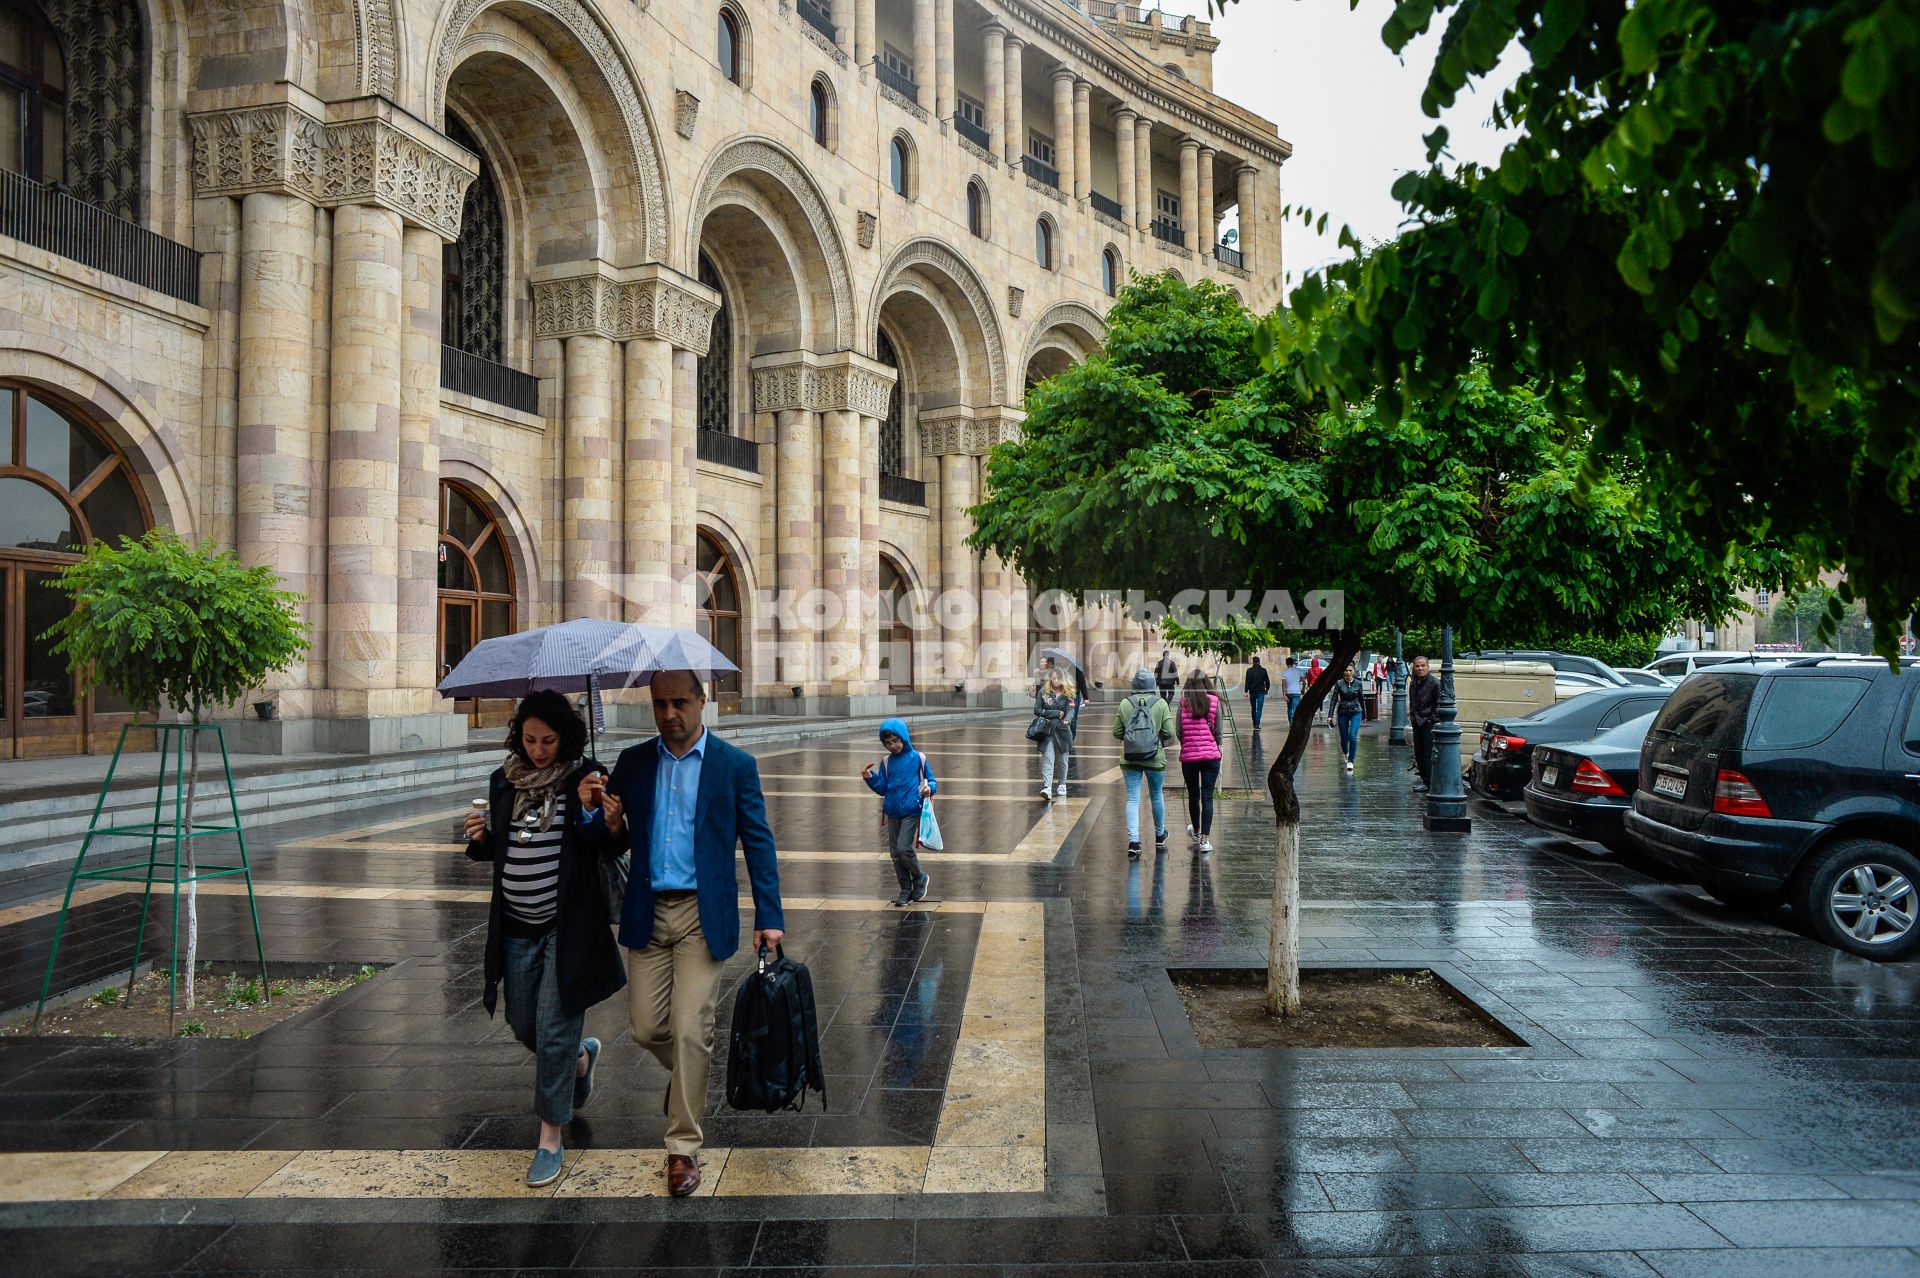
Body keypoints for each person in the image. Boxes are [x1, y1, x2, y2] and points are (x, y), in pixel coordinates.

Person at [598, 669, 784, 1198]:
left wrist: (769, 914)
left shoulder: (734, 767)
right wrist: (608, 823)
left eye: (680, 702)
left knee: (689, 1029)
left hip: (704, 915)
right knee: (645, 1029)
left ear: (704, 702)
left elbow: (759, 843)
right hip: (647, 912)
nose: (669, 714)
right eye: (660, 704)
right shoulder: (633, 764)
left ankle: (682, 1148)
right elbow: (610, 845)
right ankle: (687, 1082)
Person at [463, 690, 627, 1188]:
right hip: (515, 924)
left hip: (567, 927)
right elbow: (503, 851)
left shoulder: (587, 778)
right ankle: (580, 1060)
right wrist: (481, 838)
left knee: (554, 1030)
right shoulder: (503, 780)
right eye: (530, 739)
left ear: (566, 737)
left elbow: (609, 844)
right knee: (521, 1022)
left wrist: (591, 812)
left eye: (548, 741)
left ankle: (550, 1139)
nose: (538, 750)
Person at [862, 717, 936, 906]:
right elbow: (883, 788)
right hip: (893, 811)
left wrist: (929, 789)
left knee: (904, 848)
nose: (892, 746)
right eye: (887, 743)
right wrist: (871, 778)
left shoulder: (918, 758)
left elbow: (931, 780)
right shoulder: (886, 762)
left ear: (904, 737)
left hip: (912, 809)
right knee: (895, 853)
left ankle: (919, 877)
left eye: (896, 740)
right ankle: (905, 889)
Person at [1113, 669, 1177, 859]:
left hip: (1130, 758)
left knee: (1133, 799)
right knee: (1156, 796)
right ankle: (1159, 835)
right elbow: (1169, 732)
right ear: (1153, 685)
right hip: (1155, 758)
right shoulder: (1161, 703)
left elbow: (1116, 732)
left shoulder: (1125, 703)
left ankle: (1134, 842)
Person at [1177, 671, 1222, 855]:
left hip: (1189, 758)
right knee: (1207, 797)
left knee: (1193, 795)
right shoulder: (1214, 701)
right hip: (1211, 757)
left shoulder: (1183, 702)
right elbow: (1218, 731)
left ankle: (1196, 831)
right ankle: (1205, 839)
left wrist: (1189, 745)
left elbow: (1179, 732)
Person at [1032, 668, 1075, 800]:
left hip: (1062, 730)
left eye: (1058, 678)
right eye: (1054, 678)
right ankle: (1047, 787)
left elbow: (1070, 709)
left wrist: (1067, 719)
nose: (1055, 681)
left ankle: (1062, 784)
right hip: (1046, 730)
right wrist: (1057, 713)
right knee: (1048, 758)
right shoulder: (1043, 692)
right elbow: (1037, 710)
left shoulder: (1068, 694)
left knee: (1062, 759)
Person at [1409, 654, 1441, 792]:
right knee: (1419, 753)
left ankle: (1429, 782)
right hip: (1417, 721)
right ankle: (1424, 779)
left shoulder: (1434, 683)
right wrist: (1412, 716)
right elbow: (1412, 701)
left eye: (1423, 666)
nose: (1420, 668)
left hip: (1428, 723)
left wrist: (1431, 719)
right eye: (1417, 666)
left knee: (1427, 754)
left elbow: (1438, 704)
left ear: (1428, 667)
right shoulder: (1413, 682)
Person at [1332, 662, 1365, 772]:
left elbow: (1361, 699)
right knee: (1344, 739)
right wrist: (1330, 716)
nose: (1348, 673)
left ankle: (1351, 761)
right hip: (1343, 712)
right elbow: (1333, 700)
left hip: (1356, 711)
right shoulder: (1339, 683)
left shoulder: (1358, 683)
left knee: (1352, 736)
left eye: (1350, 670)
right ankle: (1345, 752)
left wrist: (1364, 714)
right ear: (1343, 672)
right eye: (1346, 670)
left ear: (1354, 672)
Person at [1244, 655, 1271, 730]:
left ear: (1253, 662)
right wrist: (1267, 689)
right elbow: (1267, 681)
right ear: (1259, 662)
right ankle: (1257, 723)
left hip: (1252, 691)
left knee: (1253, 707)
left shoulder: (1249, 670)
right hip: (1261, 691)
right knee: (1259, 708)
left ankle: (1254, 723)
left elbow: (1247, 681)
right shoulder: (1263, 670)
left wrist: (1246, 691)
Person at [1279, 655, 1306, 722]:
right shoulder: (1298, 671)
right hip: (1297, 692)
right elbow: (1304, 682)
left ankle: (1291, 721)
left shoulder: (1284, 672)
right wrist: (1303, 689)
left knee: (1290, 708)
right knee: (1296, 708)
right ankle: (1295, 721)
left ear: (1286, 663)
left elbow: (1284, 684)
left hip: (1288, 692)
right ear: (1293, 663)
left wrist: (1284, 694)